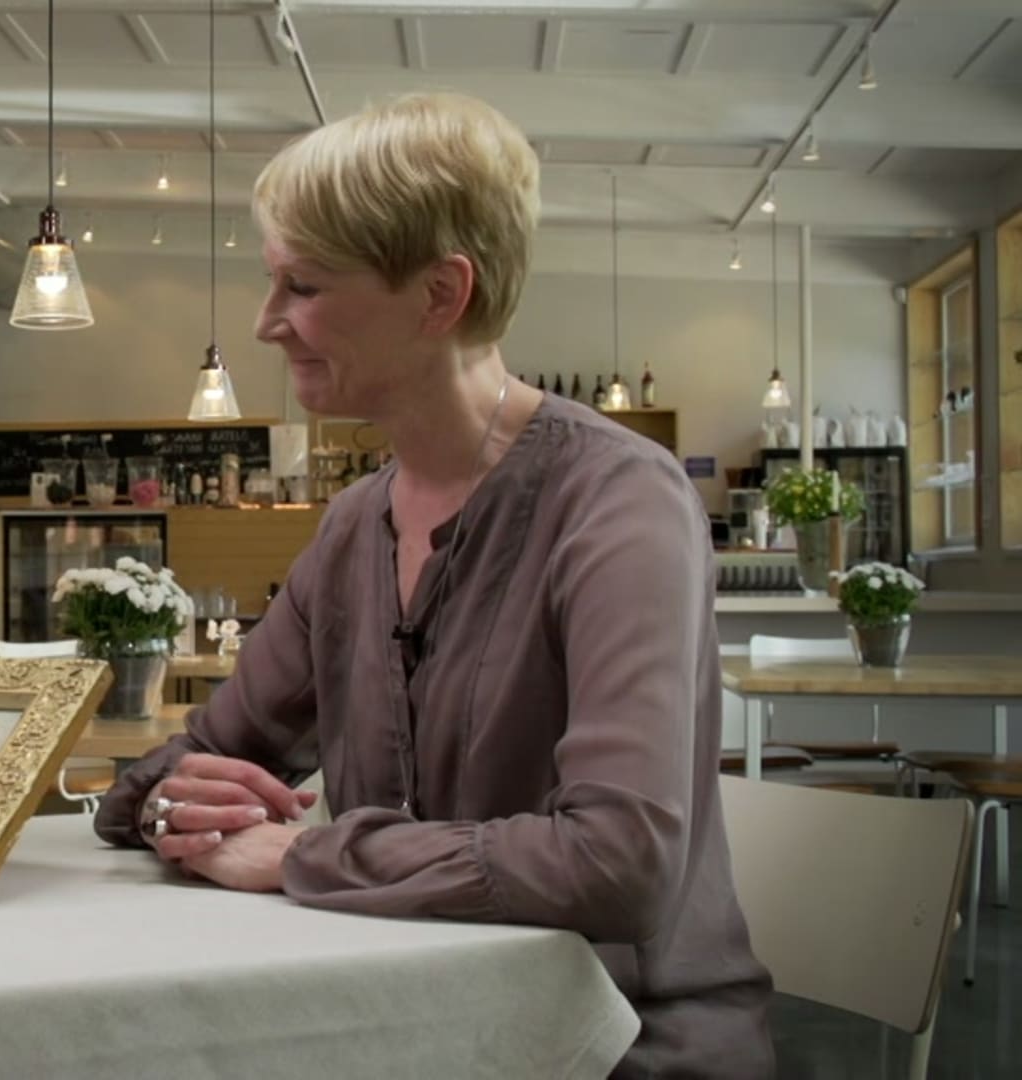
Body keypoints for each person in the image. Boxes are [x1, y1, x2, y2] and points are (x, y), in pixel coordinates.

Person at [93, 94, 773, 1078]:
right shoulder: (352, 528)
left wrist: (303, 855)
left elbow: (620, 864)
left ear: (440, 295)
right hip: (410, 1028)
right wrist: (172, 812)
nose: (267, 322)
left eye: (303, 285)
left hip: (620, 1046)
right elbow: (182, 770)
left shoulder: (620, 501)